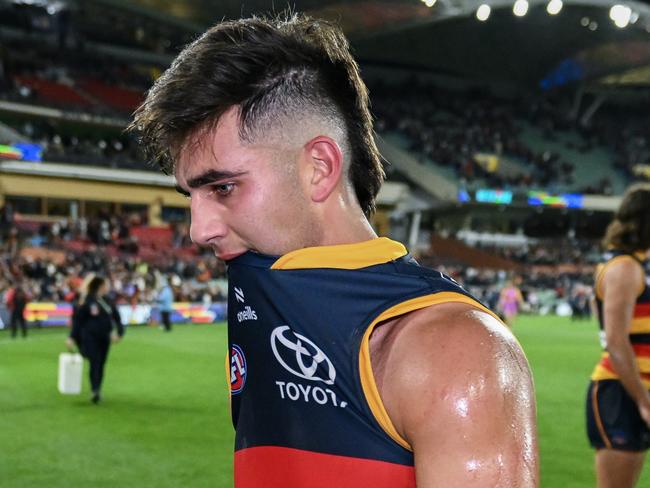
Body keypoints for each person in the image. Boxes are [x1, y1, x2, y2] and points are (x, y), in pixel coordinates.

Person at [131, 14, 538, 487]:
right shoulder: (263, 309)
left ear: (319, 168)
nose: (198, 230)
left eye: (222, 188)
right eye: (191, 196)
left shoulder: (456, 352)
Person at [586, 184, 650, 488]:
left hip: (633, 390)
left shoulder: (629, 264)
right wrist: (644, 401)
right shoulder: (625, 268)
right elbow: (615, 339)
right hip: (623, 393)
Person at [66, 276, 124, 404]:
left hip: (105, 337)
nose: (107, 287)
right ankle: (94, 390)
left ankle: (98, 388)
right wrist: (72, 337)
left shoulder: (108, 301)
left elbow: (117, 318)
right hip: (90, 338)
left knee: (101, 364)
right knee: (95, 362)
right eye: (105, 284)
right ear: (100, 286)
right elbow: (78, 321)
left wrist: (119, 333)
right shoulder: (87, 301)